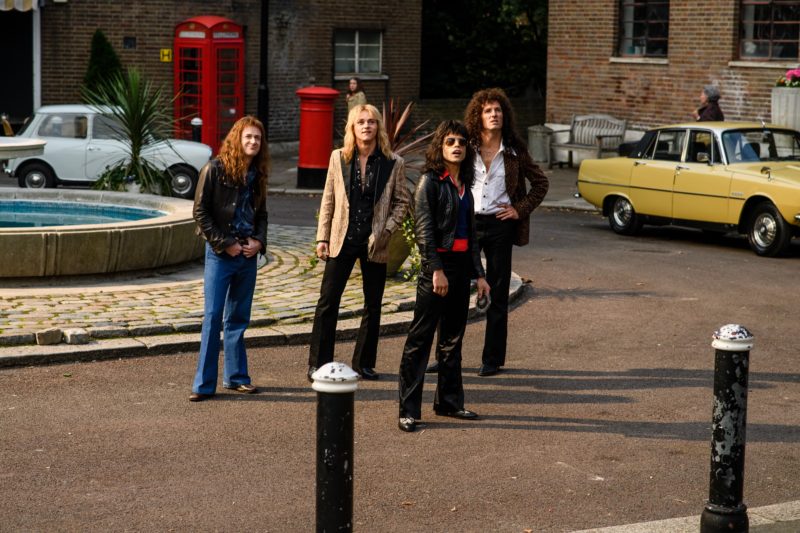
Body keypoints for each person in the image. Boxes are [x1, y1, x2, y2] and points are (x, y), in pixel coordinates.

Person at [428, 88, 548, 378]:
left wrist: (519, 209)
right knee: (453, 290)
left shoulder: (515, 150)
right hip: (464, 223)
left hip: (499, 226)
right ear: (477, 116)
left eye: (498, 110)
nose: (494, 114)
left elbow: (541, 183)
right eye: (488, 110)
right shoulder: (465, 145)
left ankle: (492, 358)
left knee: (497, 290)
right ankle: (445, 355)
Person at [398, 120, 490, 433]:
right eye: (450, 141)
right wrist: (435, 269)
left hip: (461, 268)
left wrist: (479, 274)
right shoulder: (430, 183)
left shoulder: (465, 186)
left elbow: (472, 236)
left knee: (452, 340)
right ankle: (408, 410)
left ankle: (449, 402)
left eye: (462, 142)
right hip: (436, 269)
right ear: (441, 146)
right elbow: (424, 232)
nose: (457, 146)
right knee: (420, 341)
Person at [308, 104, 409, 381]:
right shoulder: (338, 158)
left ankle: (364, 363)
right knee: (328, 302)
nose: (367, 126)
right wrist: (322, 238)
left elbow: (402, 202)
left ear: (378, 127)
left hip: (375, 243)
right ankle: (319, 363)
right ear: (352, 127)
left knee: (373, 304)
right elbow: (328, 199)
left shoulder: (394, 162)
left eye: (372, 122)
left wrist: (387, 230)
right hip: (342, 239)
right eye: (361, 122)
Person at [189, 116, 269, 402]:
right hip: (221, 255)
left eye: (257, 139)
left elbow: (261, 214)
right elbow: (200, 213)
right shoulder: (214, 169)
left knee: (237, 318)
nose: (253, 142)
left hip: (247, 257)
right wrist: (227, 244)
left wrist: (258, 242)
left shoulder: (257, 175)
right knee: (212, 317)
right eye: (248, 137)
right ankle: (203, 385)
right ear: (237, 139)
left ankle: (236, 378)